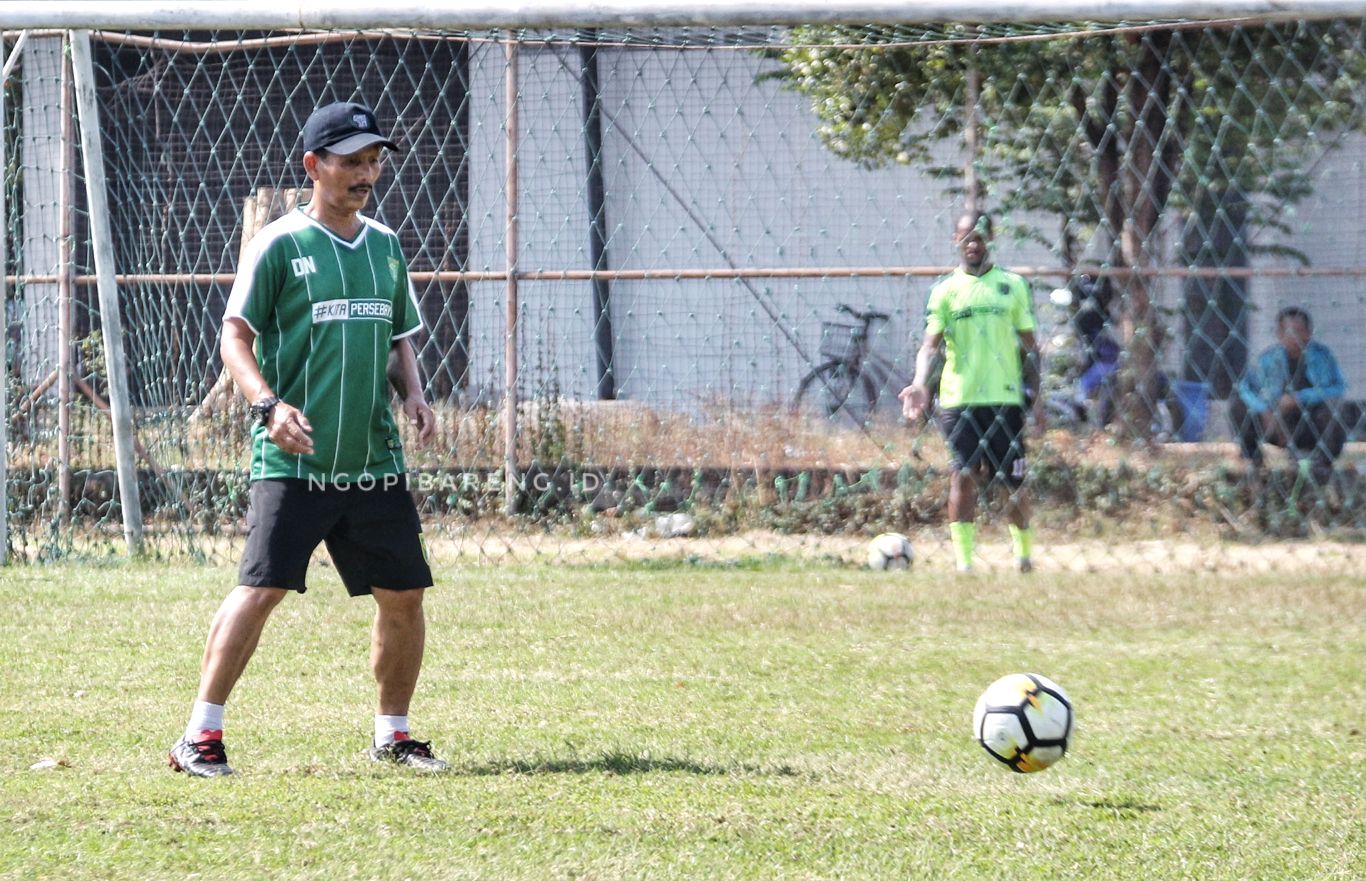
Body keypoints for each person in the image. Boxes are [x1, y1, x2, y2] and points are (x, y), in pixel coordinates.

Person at [168, 101, 446, 776]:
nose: (366, 173)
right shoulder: (281, 244)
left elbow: (399, 328)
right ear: (314, 166)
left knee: (403, 596)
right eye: (351, 161)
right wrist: (267, 405)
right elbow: (235, 334)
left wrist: (413, 387)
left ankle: (394, 733)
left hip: (371, 460)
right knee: (261, 588)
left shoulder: (383, 244)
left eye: (374, 160)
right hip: (293, 459)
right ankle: (199, 735)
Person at [899, 212, 1044, 573]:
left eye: (980, 236)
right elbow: (930, 346)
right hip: (958, 398)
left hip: (1005, 399)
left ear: (991, 239)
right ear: (956, 241)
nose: (973, 243)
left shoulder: (1012, 285)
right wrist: (919, 383)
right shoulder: (945, 291)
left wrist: (1039, 398)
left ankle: (1023, 555)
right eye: (966, 237)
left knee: (1012, 483)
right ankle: (964, 563)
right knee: (962, 474)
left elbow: (1031, 348)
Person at [1230, 306, 1348, 486]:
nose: (1294, 337)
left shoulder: (1322, 356)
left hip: (1311, 426)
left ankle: (1323, 463)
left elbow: (1338, 388)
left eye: (1299, 331)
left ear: (1309, 333)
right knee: (1238, 406)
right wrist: (1263, 409)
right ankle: (1253, 460)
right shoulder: (1268, 358)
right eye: (1288, 331)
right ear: (1278, 333)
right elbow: (1245, 388)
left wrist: (1300, 398)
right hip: (1276, 425)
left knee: (1334, 408)